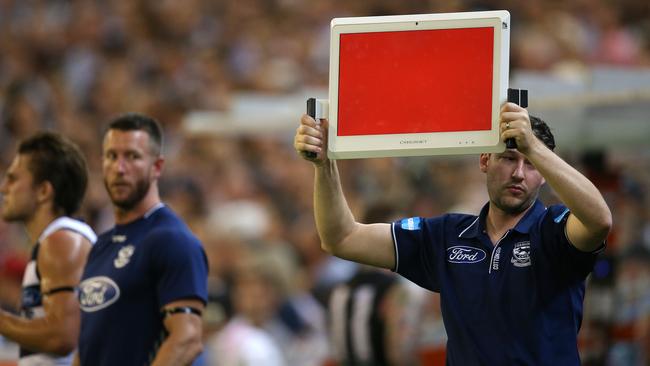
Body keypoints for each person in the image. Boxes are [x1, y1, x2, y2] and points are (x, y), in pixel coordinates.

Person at [294, 102, 612, 365]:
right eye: (509, 158)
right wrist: (324, 166)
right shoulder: (448, 235)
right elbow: (341, 238)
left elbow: (599, 221)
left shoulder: (554, 230)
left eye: (531, 164)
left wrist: (533, 145)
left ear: (543, 174)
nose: (518, 173)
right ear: (485, 159)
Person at [74, 113, 208, 366]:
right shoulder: (100, 247)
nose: (119, 168)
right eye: (112, 157)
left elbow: (187, 338)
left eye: (132, 156)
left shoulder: (172, 240)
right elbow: (88, 345)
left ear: (157, 167)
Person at [0, 131, 96, 365]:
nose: (4, 188)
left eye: (13, 179)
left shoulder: (61, 240)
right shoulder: (57, 240)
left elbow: (62, 337)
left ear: (44, 191)